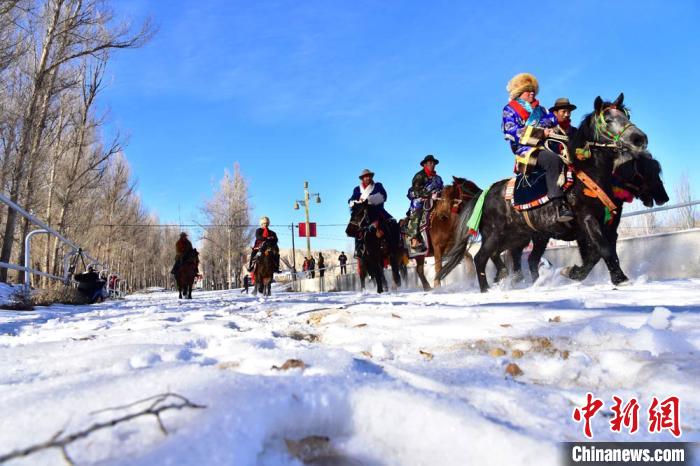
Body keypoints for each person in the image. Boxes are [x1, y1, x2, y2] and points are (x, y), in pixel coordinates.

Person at [502, 73, 573, 222]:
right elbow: (511, 131)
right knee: (553, 160)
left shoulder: (541, 109)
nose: (532, 93)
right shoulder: (509, 109)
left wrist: (552, 124)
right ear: (519, 93)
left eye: (533, 90)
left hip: (548, 144)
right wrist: (540, 132)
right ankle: (559, 205)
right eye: (528, 90)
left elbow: (552, 119)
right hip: (526, 150)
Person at [348, 169, 393, 257]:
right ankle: (358, 248)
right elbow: (352, 199)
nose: (367, 178)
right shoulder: (357, 189)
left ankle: (389, 245)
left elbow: (383, 195)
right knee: (355, 225)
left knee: (391, 223)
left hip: (376, 211)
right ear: (362, 178)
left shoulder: (378, 185)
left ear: (371, 177)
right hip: (363, 213)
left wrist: (368, 200)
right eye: (365, 176)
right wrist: (354, 202)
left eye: (369, 176)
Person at [406, 154, 443, 253]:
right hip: (421, 199)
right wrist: (430, 195)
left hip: (437, 199)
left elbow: (442, 188)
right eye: (430, 163)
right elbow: (416, 190)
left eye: (433, 163)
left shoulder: (438, 178)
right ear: (425, 165)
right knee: (417, 214)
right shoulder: (419, 175)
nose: (432, 165)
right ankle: (414, 240)